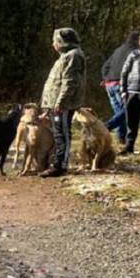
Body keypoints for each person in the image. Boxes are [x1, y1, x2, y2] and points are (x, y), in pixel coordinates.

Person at [40, 28, 86, 178]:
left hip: (63, 104)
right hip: (55, 103)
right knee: (58, 133)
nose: (53, 44)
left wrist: (60, 102)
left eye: (55, 41)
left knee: (63, 134)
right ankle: (56, 162)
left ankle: (60, 165)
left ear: (62, 42)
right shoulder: (65, 56)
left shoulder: (73, 56)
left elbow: (70, 82)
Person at [100, 31, 139, 146]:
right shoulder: (134, 52)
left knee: (119, 112)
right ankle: (106, 126)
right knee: (127, 111)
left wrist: (106, 78)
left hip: (109, 85)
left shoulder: (117, 50)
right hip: (120, 85)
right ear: (137, 40)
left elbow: (105, 67)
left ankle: (121, 139)